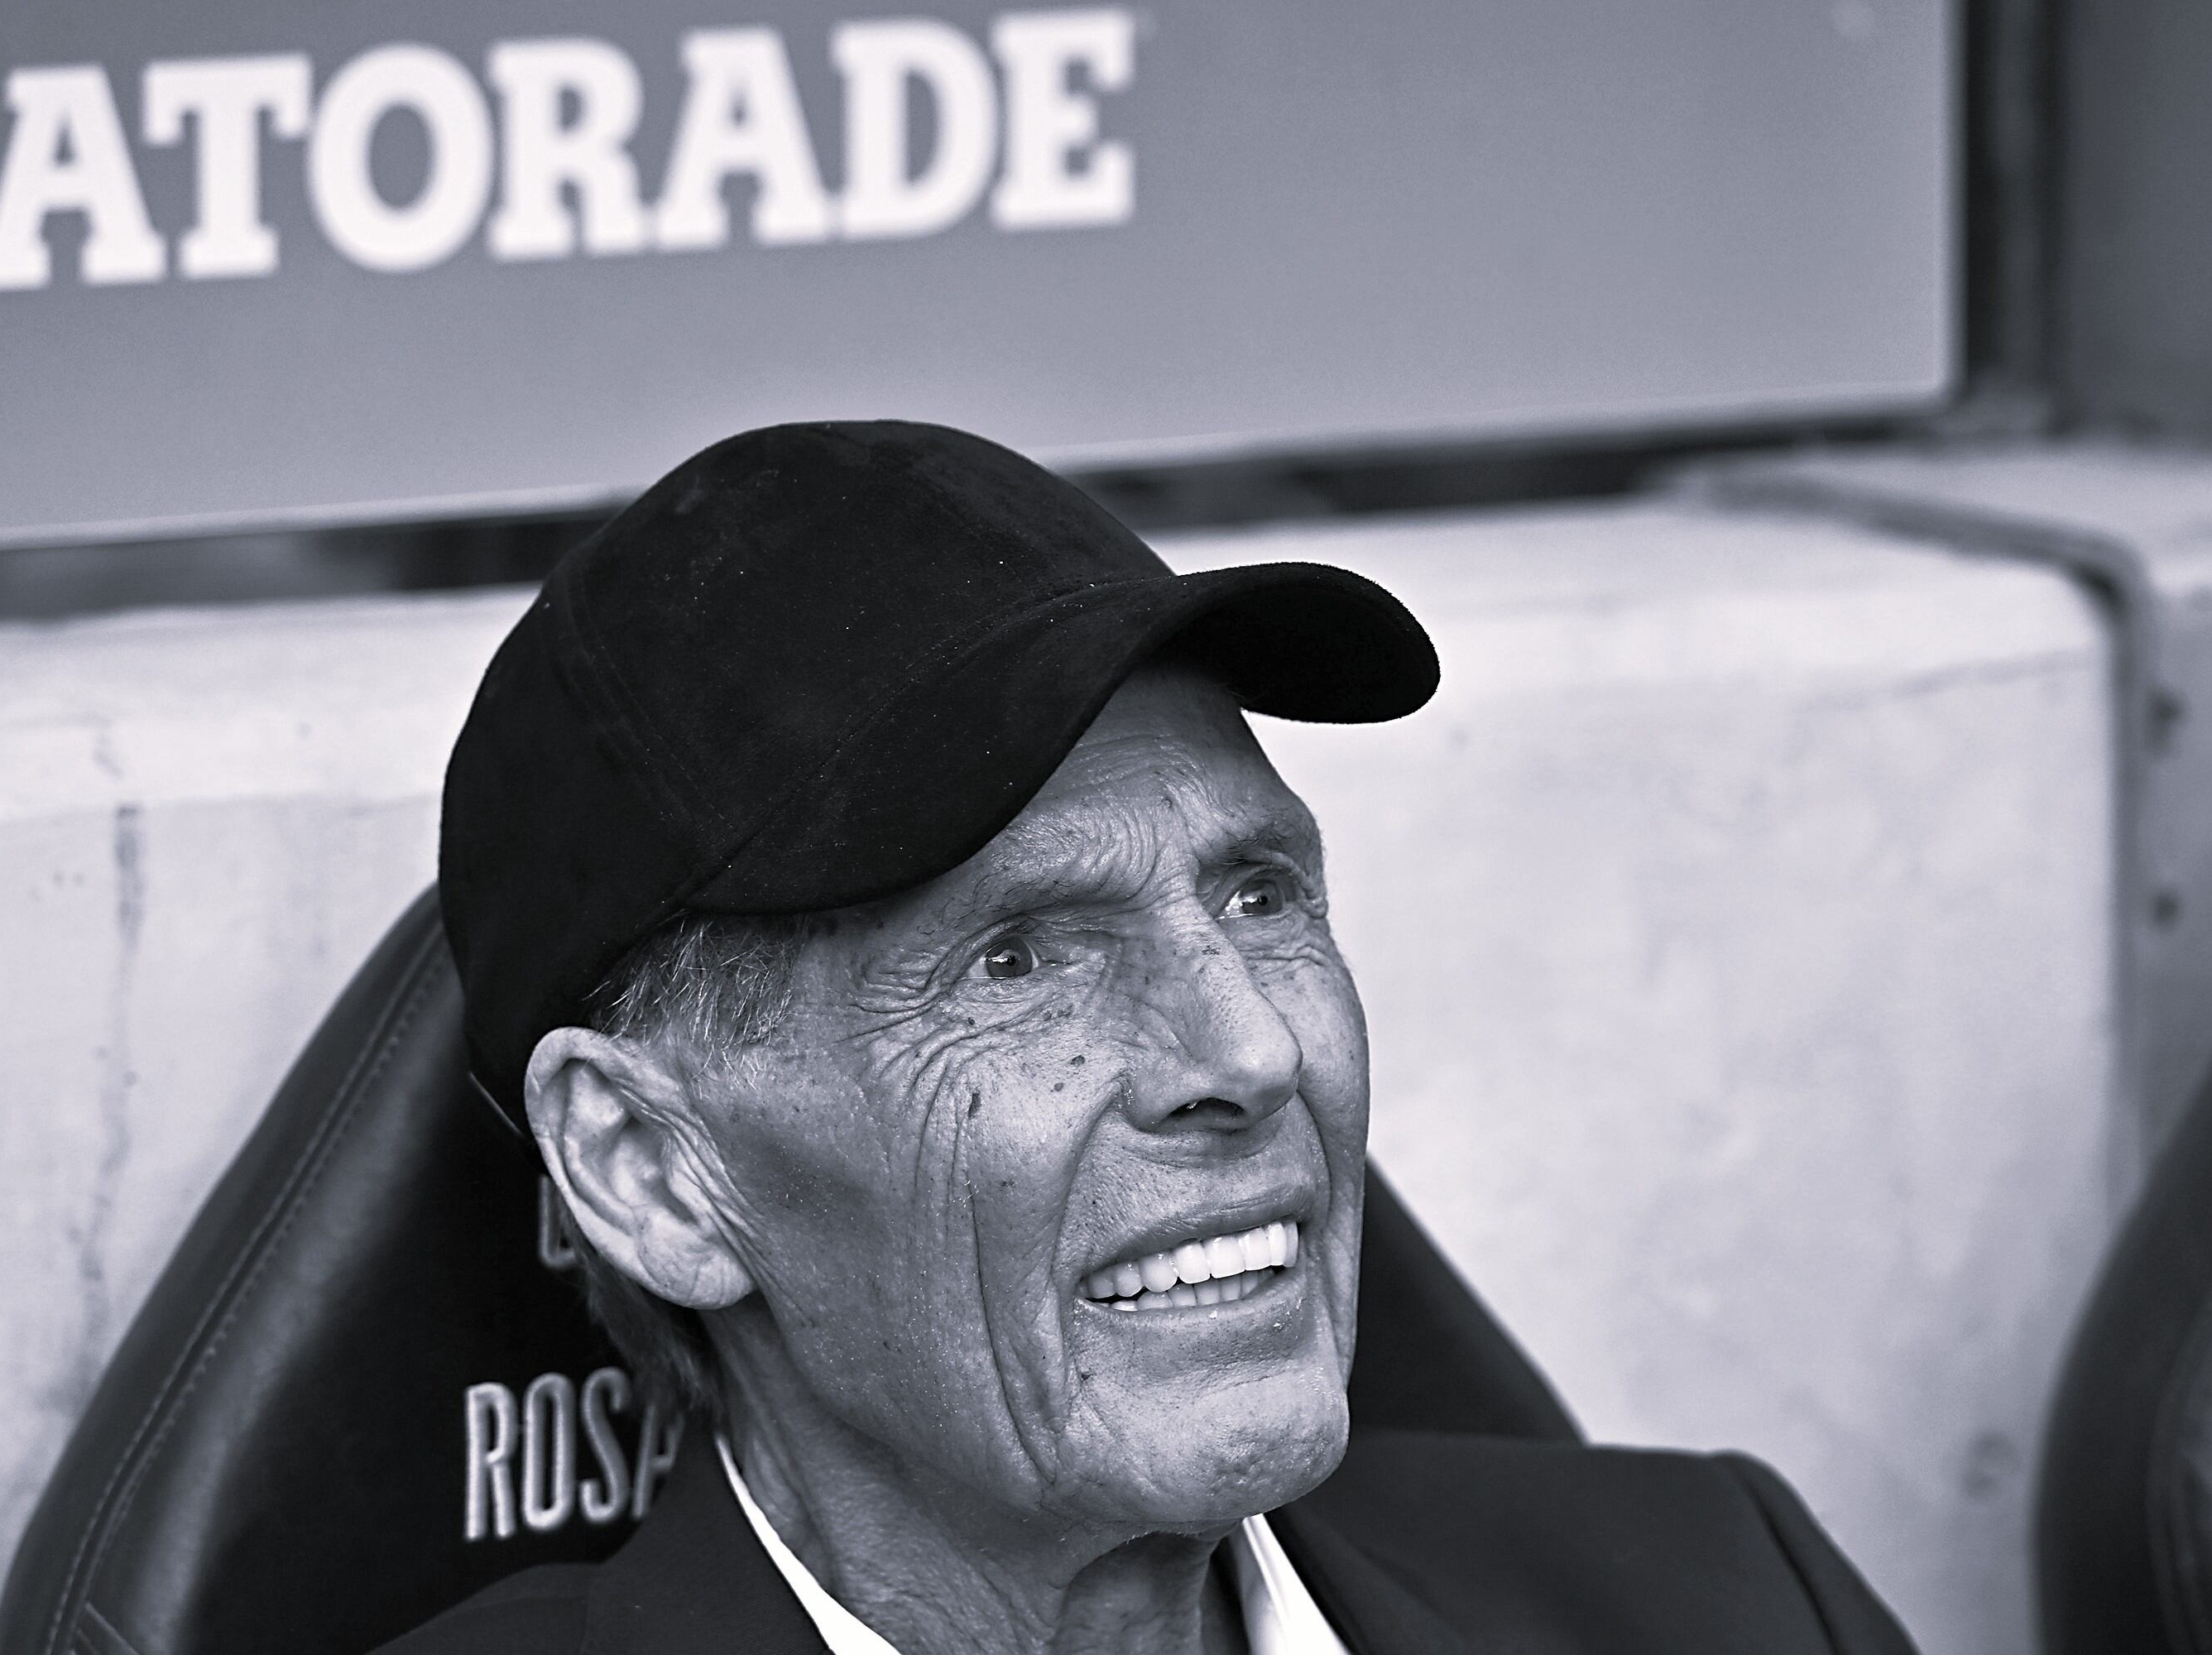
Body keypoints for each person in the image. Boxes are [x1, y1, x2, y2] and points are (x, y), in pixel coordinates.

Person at [396, 421, 1917, 1654]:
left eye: (1261, 896)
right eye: (1018, 961)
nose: (1251, 1053)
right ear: (654, 1170)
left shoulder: (1727, 1600)